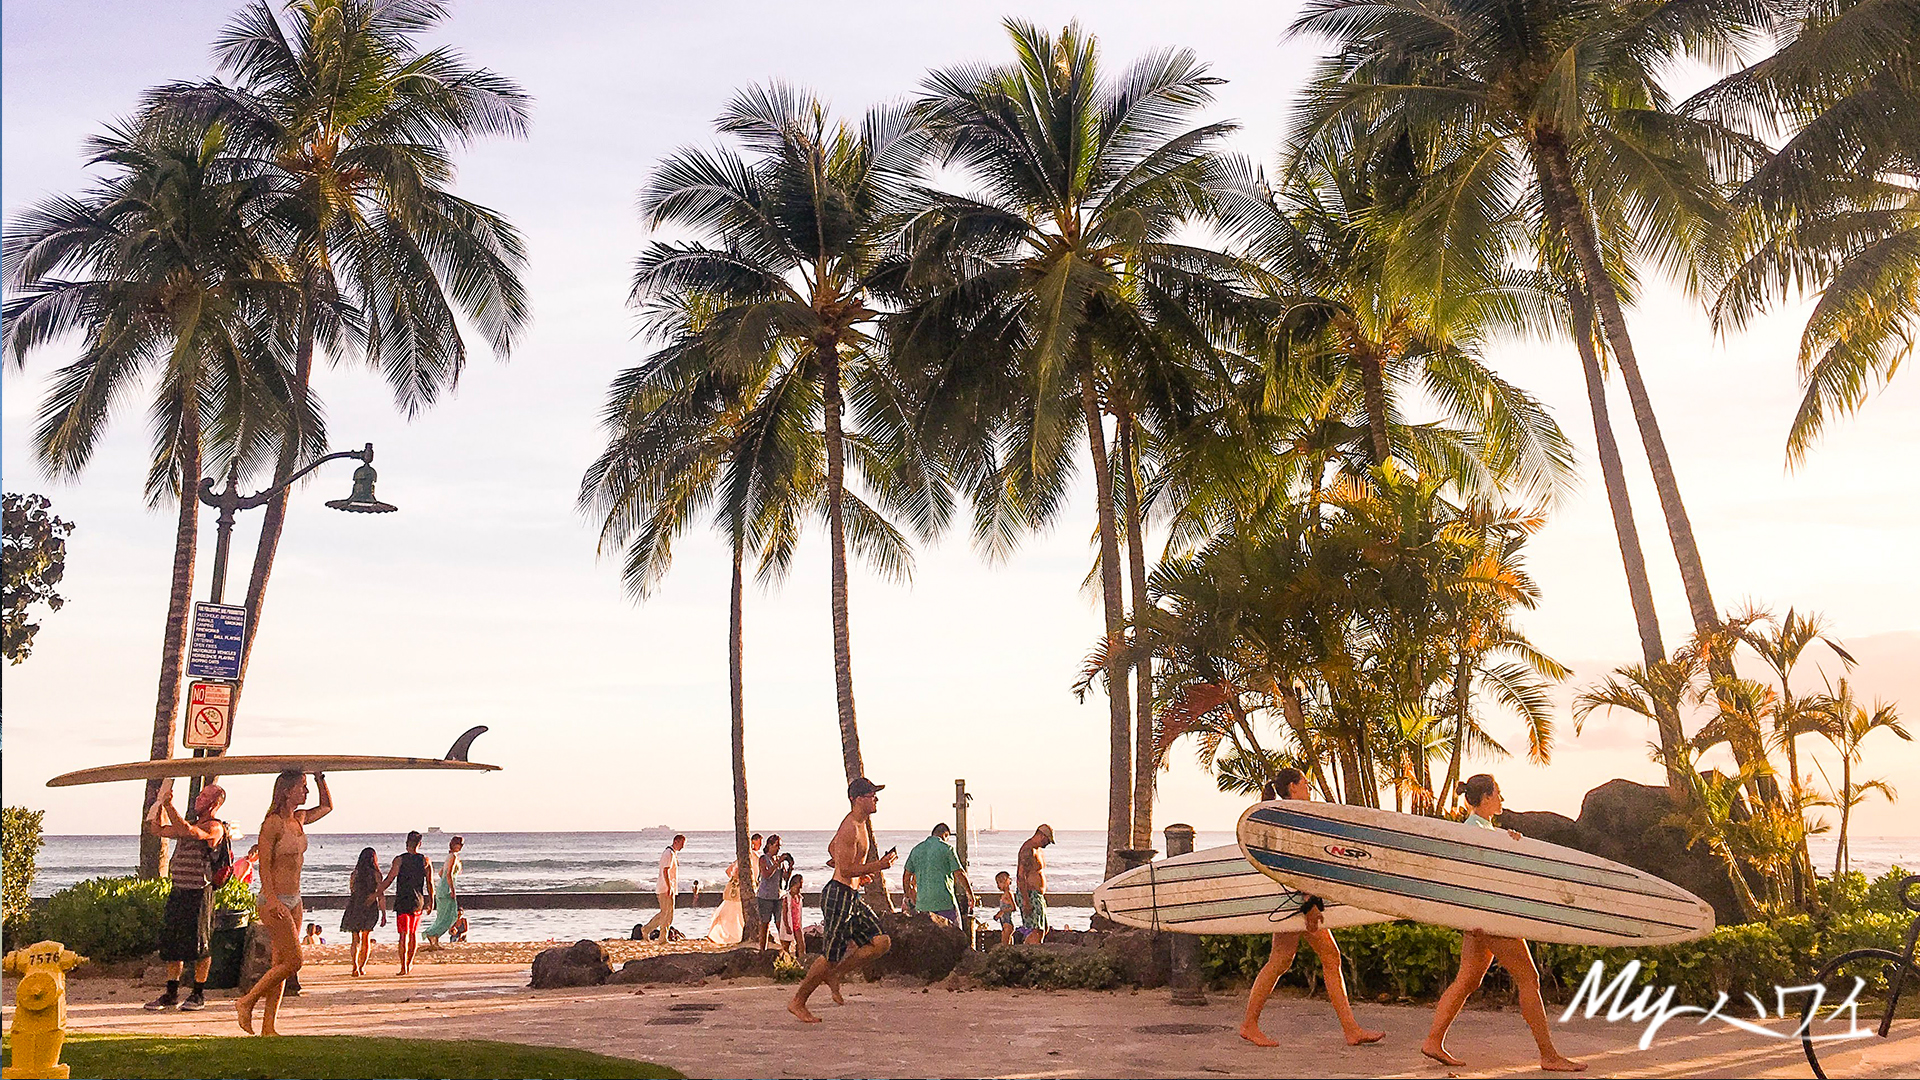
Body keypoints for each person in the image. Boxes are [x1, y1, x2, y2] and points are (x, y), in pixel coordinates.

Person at [1422, 774, 1586, 1073]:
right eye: (1498, 793)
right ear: (1485, 798)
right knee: (1529, 978)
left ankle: (1433, 1041)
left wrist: (1507, 842)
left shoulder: (1482, 828)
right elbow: (1475, 876)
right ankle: (1549, 1055)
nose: (1502, 798)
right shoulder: (1476, 831)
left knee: (1468, 980)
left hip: (1481, 917)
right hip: (1490, 917)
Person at [1239, 769, 1384, 1048]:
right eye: (1305, 783)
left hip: (1293, 900)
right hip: (1298, 901)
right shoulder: (1293, 816)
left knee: (1284, 960)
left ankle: (1250, 1024)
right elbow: (1297, 864)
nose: (1309, 788)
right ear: (1293, 787)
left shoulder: (1284, 814)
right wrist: (1309, 904)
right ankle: (1250, 1024)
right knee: (1327, 958)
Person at [788, 777, 897, 1023]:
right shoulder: (850, 826)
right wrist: (877, 866)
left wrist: (861, 872)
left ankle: (835, 975)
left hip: (851, 894)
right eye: (871, 795)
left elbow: (832, 850)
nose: (876, 799)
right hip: (838, 894)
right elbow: (845, 870)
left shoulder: (861, 824)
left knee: (881, 942)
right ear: (857, 799)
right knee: (830, 955)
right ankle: (798, 1001)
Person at [236, 770, 330, 1036]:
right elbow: (265, 865)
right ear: (287, 791)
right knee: (294, 962)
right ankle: (246, 1002)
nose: (306, 791)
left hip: (295, 899)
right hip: (273, 900)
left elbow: (326, 806)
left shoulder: (299, 819)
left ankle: (268, 1028)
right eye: (303, 786)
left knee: (280, 963)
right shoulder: (272, 824)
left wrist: (320, 777)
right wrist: (273, 898)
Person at [143, 780, 230, 1012]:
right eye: (199, 795)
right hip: (179, 890)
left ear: (214, 803)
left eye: (203, 797)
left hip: (199, 893)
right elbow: (158, 830)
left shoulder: (215, 827)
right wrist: (159, 805)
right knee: (173, 945)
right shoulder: (189, 823)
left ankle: (198, 993)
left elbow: (188, 832)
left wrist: (170, 807)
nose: (197, 799)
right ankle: (171, 993)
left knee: (200, 945)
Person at [381, 831, 435, 976]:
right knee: (413, 934)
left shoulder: (399, 860)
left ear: (406, 844)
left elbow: (390, 878)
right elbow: (430, 883)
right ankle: (409, 963)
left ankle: (403, 966)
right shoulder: (425, 860)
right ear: (420, 844)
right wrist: (432, 901)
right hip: (418, 901)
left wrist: (377, 890)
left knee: (403, 935)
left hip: (403, 900)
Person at [901, 823, 971, 925]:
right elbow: (960, 873)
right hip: (945, 903)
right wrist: (970, 894)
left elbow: (906, 877)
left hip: (923, 906)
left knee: (928, 938)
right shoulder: (947, 849)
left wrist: (908, 895)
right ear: (945, 835)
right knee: (955, 936)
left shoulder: (916, 849)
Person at [340, 846, 386, 977]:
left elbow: (352, 890)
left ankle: (354, 966)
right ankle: (361, 967)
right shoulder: (377, 874)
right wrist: (383, 913)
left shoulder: (355, 874)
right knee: (366, 938)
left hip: (355, 906)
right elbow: (381, 894)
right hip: (370, 907)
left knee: (355, 938)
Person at [640, 834, 685, 942]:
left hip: (670, 887)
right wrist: (669, 887)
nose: (682, 847)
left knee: (668, 913)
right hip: (665, 887)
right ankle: (659, 936)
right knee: (665, 913)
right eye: (682, 844)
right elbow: (665, 871)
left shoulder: (673, 853)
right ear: (676, 842)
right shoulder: (668, 853)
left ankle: (648, 930)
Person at [1015, 824, 1054, 944]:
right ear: (1041, 835)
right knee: (1036, 931)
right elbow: (1021, 876)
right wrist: (1026, 901)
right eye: (1047, 840)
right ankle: (1028, 955)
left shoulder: (1038, 850)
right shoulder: (1028, 850)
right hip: (1029, 894)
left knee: (1043, 928)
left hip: (1037, 895)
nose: (1047, 844)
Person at [423, 835, 464, 947]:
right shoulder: (453, 857)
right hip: (446, 888)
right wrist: (452, 889)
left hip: (442, 887)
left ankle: (434, 939)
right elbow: (448, 874)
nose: (460, 846)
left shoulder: (450, 856)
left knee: (442, 916)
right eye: (459, 844)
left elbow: (441, 873)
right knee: (450, 916)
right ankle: (432, 933)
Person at [755, 834, 793, 950]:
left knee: (779, 923)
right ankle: (763, 949)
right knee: (764, 924)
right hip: (765, 896)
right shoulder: (763, 859)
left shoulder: (778, 860)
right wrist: (777, 863)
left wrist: (790, 866)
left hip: (778, 896)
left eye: (779, 847)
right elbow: (766, 875)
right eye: (777, 846)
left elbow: (785, 877)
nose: (778, 849)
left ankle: (785, 949)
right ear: (770, 845)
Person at [705, 856, 747, 944]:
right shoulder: (742, 862)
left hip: (734, 892)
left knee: (733, 917)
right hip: (734, 892)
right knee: (725, 916)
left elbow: (728, 871)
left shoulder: (739, 861)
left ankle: (715, 935)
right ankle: (713, 935)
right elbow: (729, 871)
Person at [774, 873, 805, 960]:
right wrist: (787, 926)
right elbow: (784, 913)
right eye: (799, 885)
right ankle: (786, 961)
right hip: (789, 924)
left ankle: (801, 961)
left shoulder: (799, 897)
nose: (800, 888)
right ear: (794, 884)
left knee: (801, 944)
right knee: (786, 945)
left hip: (797, 924)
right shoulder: (787, 898)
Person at [993, 871, 1017, 946]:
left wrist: (1002, 912)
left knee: (1004, 945)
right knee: (1008, 944)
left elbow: (1013, 907)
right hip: (1004, 922)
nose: (998, 885)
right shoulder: (1004, 894)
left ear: (1007, 881)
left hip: (1007, 922)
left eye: (1000, 882)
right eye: (997, 883)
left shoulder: (1008, 894)